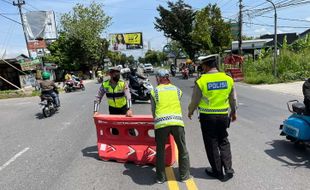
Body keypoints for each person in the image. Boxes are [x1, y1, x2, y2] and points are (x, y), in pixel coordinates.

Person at [188, 55, 237, 181]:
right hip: (223, 115)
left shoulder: (201, 80)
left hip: (207, 117)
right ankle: (228, 167)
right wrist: (234, 112)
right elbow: (233, 98)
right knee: (223, 140)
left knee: (211, 143)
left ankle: (217, 171)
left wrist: (190, 111)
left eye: (202, 65)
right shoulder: (227, 78)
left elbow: (195, 100)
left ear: (205, 65)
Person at [151, 69, 191, 184]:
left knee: (160, 150)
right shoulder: (177, 90)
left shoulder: (155, 91)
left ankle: (160, 178)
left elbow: (153, 110)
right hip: (177, 123)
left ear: (158, 78)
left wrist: (157, 120)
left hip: (161, 124)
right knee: (182, 149)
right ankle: (184, 176)